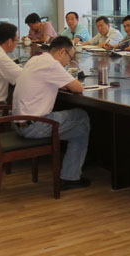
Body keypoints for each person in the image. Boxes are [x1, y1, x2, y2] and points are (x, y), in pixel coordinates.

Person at [12, 36, 91, 190]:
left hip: (18, 122)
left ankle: (73, 168)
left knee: (76, 122)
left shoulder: (36, 59)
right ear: (62, 52)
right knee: (82, 118)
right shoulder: (53, 65)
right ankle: (70, 176)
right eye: (70, 57)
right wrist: (68, 83)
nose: (69, 62)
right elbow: (78, 88)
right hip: (33, 126)